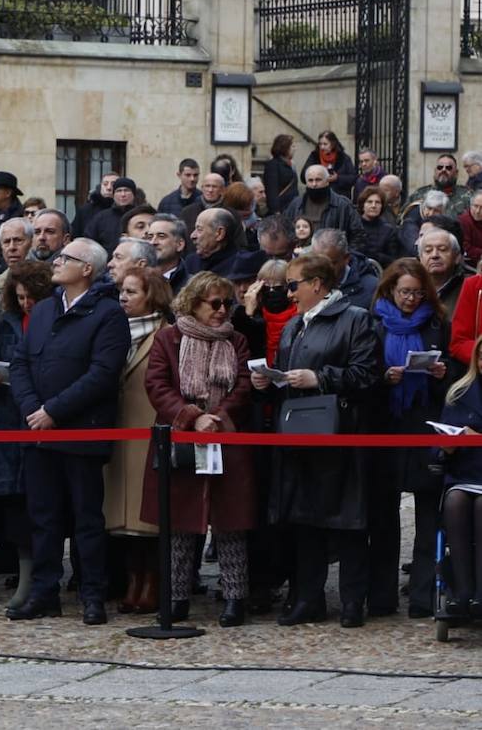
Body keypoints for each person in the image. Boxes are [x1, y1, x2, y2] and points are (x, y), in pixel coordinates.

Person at [253, 252, 380, 628]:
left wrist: (320, 378)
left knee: (348, 519)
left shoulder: (356, 319)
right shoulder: (294, 325)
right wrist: (269, 381)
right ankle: (308, 598)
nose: (289, 294)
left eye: (293, 285)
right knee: (304, 518)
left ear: (317, 285)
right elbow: (287, 373)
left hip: (341, 431)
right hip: (298, 430)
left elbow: (366, 374)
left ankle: (354, 600)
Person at [10, 237, 128, 625]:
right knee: (42, 516)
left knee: (86, 519)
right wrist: (32, 409)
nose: (56, 262)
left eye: (66, 258)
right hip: (39, 431)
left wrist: (54, 412)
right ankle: (45, 592)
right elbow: (22, 361)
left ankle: (92, 594)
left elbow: (102, 374)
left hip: (81, 433)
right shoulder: (44, 310)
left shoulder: (108, 313)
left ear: (87, 269)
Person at [141, 271, 256, 627]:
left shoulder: (236, 340)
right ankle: (175, 598)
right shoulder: (169, 339)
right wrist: (191, 416)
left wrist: (218, 416)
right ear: (194, 303)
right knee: (179, 524)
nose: (222, 310)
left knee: (229, 524)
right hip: (181, 438)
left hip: (226, 437)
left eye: (227, 304)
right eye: (214, 303)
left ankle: (236, 597)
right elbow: (157, 384)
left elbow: (242, 384)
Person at [369, 258, 450, 619]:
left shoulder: (436, 323)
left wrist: (440, 372)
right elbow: (363, 372)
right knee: (383, 517)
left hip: (424, 423)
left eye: (418, 292)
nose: (411, 299)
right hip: (385, 424)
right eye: (405, 292)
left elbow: (455, 382)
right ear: (390, 289)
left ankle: (422, 596)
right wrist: (384, 378)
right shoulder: (373, 323)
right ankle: (382, 596)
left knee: (428, 515)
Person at [0, 262, 54, 615]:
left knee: (43, 506)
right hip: (8, 422)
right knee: (14, 508)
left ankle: (45, 582)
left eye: (32, 298)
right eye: (21, 297)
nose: (26, 304)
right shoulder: (7, 322)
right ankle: (26, 576)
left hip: (44, 418)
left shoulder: (54, 320)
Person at [108, 267, 172, 617]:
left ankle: (153, 583)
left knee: (150, 519)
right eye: (122, 291)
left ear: (152, 295)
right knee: (124, 520)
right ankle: (133, 581)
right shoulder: (115, 331)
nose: (123, 298)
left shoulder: (167, 333)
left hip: (150, 429)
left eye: (131, 292)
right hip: (120, 432)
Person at [435, 338, 482, 616]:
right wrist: (446, 447)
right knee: (455, 502)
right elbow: (442, 435)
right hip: (464, 473)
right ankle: (461, 590)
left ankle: (480, 593)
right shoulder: (460, 393)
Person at [282, 164, 365, 249]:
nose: (314, 184)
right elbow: (285, 231)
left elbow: (358, 235)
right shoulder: (295, 205)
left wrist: (345, 256)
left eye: (318, 180)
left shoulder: (343, 205)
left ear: (327, 181)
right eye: (310, 180)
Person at [311, 227, 378, 312]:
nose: (322, 269)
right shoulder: (305, 282)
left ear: (346, 259)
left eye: (330, 263)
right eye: (317, 262)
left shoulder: (372, 289)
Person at [406, 153, 472, 219]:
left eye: (448, 168)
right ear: (435, 171)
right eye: (439, 167)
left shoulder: (468, 196)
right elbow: (404, 220)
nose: (443, 170)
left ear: (456, 173)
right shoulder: (419, 194)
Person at [84, 176, 136, 254]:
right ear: (113, 195)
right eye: (119, 191)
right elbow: (89, 242)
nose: (123, 194)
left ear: (133, 194)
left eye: (126, 190)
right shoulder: (101, 217)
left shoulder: (140, 215)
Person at [301, 129, 357, 200]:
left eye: (325, 144)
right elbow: (303, 176)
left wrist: (337, 178)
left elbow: (353, 178)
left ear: (333, 144)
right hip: (318, 197)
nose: (322, 147)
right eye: (320, 144)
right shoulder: (314, 157)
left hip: (340, 198)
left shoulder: (344, 158)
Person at [357, 185, 401, 269]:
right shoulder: (353, 226)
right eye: (369, 202)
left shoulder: (388, 230)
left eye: (377, 202)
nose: (373, 206)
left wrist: (375, 255)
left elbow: (392, 259)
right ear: (363, 205)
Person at [145, 214, 188, 292]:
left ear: (179, 244)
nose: (153, 242)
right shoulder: (136, 280)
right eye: (150, 237)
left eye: (161, 236)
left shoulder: (191, 287)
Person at [263, 135, 299, 215]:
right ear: (285, 148)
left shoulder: (291, 165)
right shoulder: (273, 165)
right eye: (292, 146)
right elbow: (272, 189)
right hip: (281, 209)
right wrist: (276, 211)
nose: (295, 149)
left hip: (291, 207)